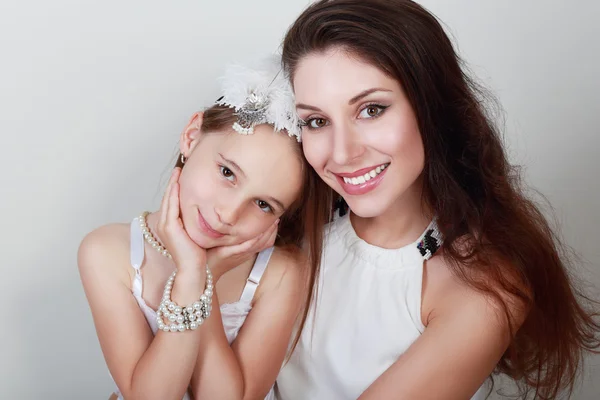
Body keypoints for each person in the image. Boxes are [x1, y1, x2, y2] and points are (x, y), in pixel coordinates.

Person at [274, 1, 600, 399]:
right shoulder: (291, 231)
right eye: (317, 121)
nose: (342, 154)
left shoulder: (481, 287)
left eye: (371, 110)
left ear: (431, 107)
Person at [78, 57, 332, 400]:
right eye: (227, 173)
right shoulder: (108, 253)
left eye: (263, 204)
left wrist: (201, 277)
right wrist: (190, 277)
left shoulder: (281, 272)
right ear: (192, 136)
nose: (228, 214)